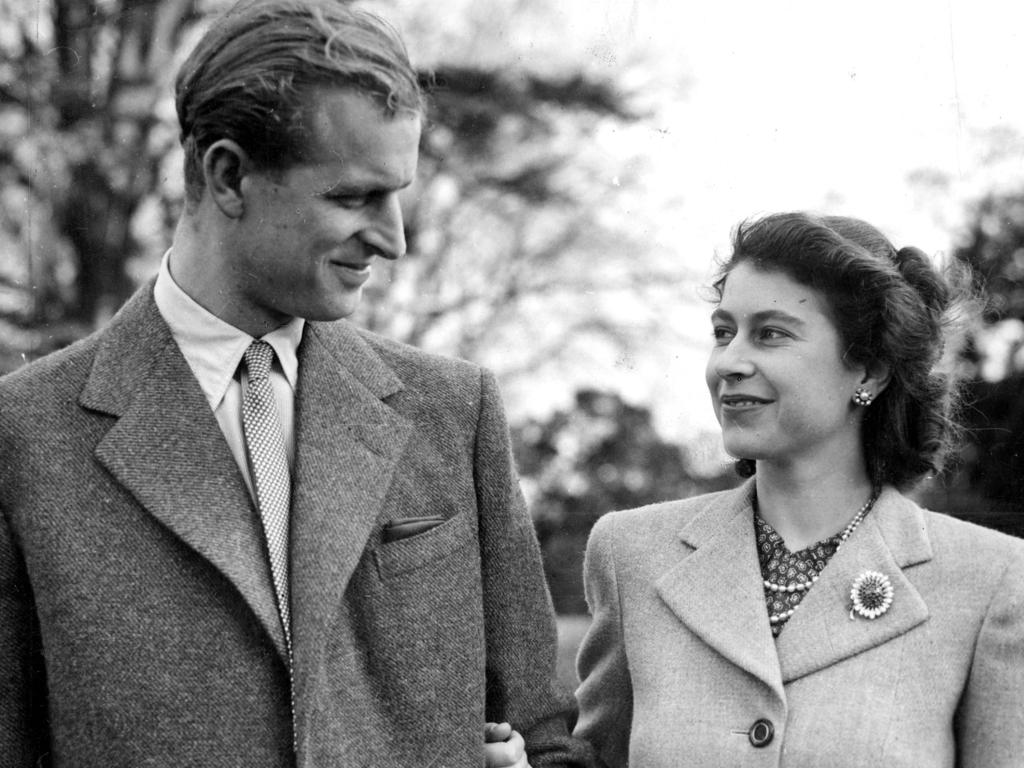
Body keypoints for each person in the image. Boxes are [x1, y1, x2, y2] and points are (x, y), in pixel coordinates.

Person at [0, 1, 591, 765]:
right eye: (353, 198)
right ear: (228, 175)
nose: (394, 238)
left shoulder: (454, 410)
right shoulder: (24, 433)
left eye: (398, 194)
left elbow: (546, 736)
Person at [573, 212, 1024, 767]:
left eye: (771, 334)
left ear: (870, 370)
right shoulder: (631, 555)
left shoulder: (992, 581)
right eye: (723, 332)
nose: (729, 362)